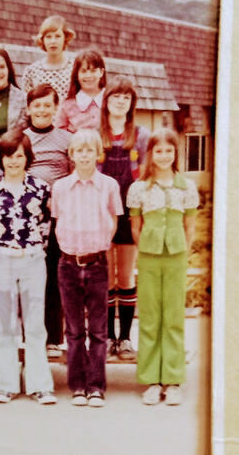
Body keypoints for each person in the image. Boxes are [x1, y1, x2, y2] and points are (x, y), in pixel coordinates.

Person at [0, 132, 56, 405]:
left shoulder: (40, 188)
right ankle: (5, 384)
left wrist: (36, 250)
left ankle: (40, 385)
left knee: (35, 324)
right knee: (5, 323)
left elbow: (46, 225)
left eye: (19, 156)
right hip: (2, 260)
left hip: (33, 259)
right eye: (9, 156)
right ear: (1, 159)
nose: (14, 161)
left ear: (27, 158)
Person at [126, 128, 199, 406]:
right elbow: (136, 228)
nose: (164, 156)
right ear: (151, 154)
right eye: (159, 151)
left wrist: (180, 249)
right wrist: (149, 246)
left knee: (173, 316)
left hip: (176, 256)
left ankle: (173, 378)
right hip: (149, 255)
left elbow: (190, 227)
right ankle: (152, 380)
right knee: (151, 316)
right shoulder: (139, 189)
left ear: (175, 154)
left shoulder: (186, 187)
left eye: (169, 151)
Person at [51, 130, 123, 408]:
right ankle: (77, 386)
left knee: (98, 330)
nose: (84, 155)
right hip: (69, 263)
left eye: (89, 150)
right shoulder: (60, 188)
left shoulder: (108, 185)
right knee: (73, 330)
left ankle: (96, 387)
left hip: (97, 263)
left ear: (97, 154)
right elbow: (58, 218)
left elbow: (113, 220)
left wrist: (100, 241)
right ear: (71, 155)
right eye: (79, 151)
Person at [98, 76, 150, 360]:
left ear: (131, 104)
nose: (121, 101)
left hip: (130, 210)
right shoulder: (97, 132)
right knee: (106, 276)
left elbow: (143, 174)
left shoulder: (140, 134)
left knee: (126, 274)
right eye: (116, 96)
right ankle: (107, 337)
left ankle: (125, 338)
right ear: (107, 101)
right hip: (103, 210)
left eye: (126, 98)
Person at [22, 84, 74, 358]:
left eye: (47, 105)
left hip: (58, 214)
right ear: (29, 109)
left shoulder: (66, 139)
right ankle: (29, 334)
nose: (42, 110)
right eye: (37, 105)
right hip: (28, 215)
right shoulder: (20, 138)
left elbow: (74, 174)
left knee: (55, 274)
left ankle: (54, 335)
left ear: (55, 108)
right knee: (29, 277)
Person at [21, 15, 77, 100]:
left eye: (58, 36)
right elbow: (26, 104)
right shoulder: (32, 71)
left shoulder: (75, 68)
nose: (53, 41)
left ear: (65, 38)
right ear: (42, 40)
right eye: (48, 37)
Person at [55, 49, 107, 132]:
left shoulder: (110, 99)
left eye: (93, 71)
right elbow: (59, 134)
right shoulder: (67, 105)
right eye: (83, 71)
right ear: (76, 74)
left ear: (101, 72)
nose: (88, 75)